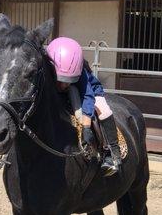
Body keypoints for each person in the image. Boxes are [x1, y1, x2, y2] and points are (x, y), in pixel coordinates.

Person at [47, 37, 122, 176]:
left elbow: (88, 95)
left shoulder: (81, 72)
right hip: (62, 92)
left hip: (88, 91)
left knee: (103, 110)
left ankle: (111, 152)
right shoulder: (48, 67)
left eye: (66, 81)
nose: (63, 84)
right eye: (60, 80)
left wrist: (86, 127)